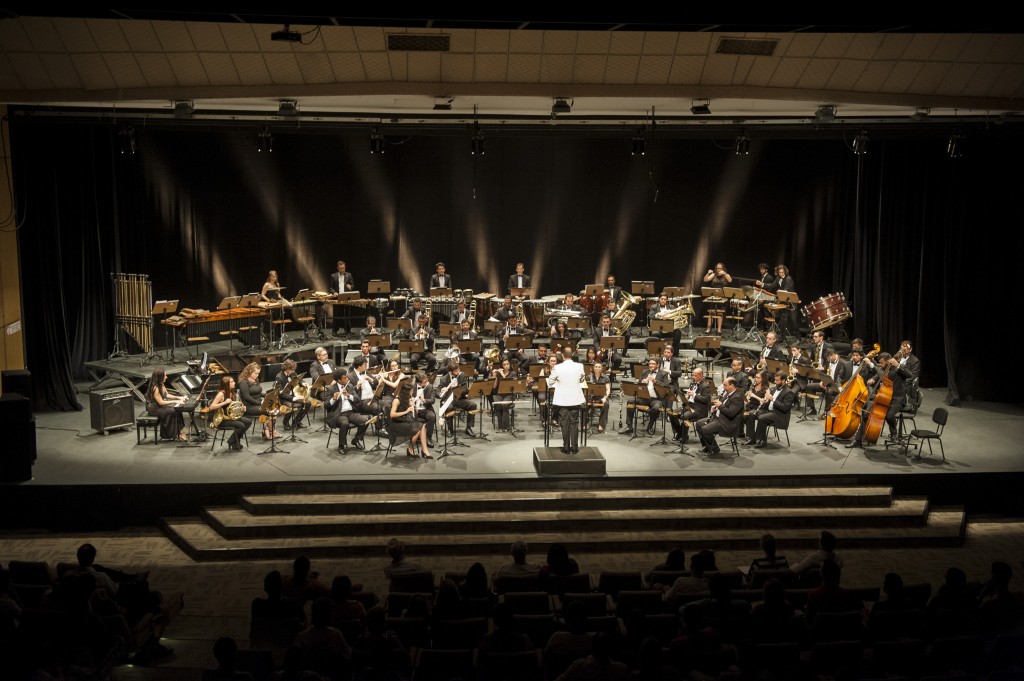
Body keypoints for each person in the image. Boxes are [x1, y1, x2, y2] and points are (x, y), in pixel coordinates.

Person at [844, 350, 916, 449]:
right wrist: (873, 379)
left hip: (897, 400)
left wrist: (898, 365)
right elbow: (879, 375)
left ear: (888, 361)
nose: (880, 364)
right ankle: (858, 440)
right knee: (865, 414)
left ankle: (894, 435)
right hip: (883, 397)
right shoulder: (884, 369)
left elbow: (910, 375)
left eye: (882, 363)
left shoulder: (898, 369)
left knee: (889, 415)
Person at [324, 369, 372, 453]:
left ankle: (356, 440)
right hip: (339, 414)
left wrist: (349, 395)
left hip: (351, 412)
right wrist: (333, 399)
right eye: (345, 378)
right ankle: (342, 445)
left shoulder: (349, 386)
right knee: (344, 423)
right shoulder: (331, 389)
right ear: (339, 380)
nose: (347, 379)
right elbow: (326, 405)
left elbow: (357, 399)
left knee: (365, 421)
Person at [696, 375, 743, 458]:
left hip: (727, 423)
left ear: (731, 386)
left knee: (705, 429)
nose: (723, 387)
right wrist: (715, 407)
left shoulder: (737, 397)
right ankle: (707, 446)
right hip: (718, 418)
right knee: (699, 423)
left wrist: (720, 406)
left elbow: (731, 413)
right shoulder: (727, 393)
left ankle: (714, 449)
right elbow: (722, 405)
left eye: (725, 385)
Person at [549, 347, 586, 453]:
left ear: (563, 356)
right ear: (572, 354)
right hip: (575, 399)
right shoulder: (580, 366)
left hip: (562, 400)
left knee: (564, 423)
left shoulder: (557, 367)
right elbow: (582, 380)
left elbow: (551, 382)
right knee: (574, 423)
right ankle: (574, 448)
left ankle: (566, 447)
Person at [751, 371, 796, 448]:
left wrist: (773, 399)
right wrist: (765, 401)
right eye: (775, 380)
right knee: (751, 414)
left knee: (762, 418)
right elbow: (769, 402)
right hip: (769, 411)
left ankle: (761, 441)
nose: (775, 382)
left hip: (780, 415)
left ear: (784, 381)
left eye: (777, 380)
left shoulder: (789, 392)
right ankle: (751, 438)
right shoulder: (775, 388)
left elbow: (784, 408)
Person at [670, 366, 712, 444]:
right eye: (693, 375)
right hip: (689, 406)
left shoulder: (705, 386)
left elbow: (706, 400)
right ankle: (680, 433)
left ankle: (683, 436)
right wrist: (687, 396)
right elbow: (690, 395)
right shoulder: (693, 383)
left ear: (701, 375)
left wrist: (694, 395)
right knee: (672, 413)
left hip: (699, 409)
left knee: (684, 416)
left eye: (695, 375)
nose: (693, 377)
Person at [390, 380, 431, 459]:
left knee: (421, 426)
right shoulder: (397, 400)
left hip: (404, 420)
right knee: (418, 427)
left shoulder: (407, 399)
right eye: (411, 391)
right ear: (405, 392)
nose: (412, 393)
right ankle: (411, 448)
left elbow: (415, 414)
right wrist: (407, 411)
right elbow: (392, 415)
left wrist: (414, 407)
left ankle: (424, 450)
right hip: (396, 423)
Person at [238, 361, 279, 440]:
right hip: (249, 407)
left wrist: (267, 396)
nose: (257, 375)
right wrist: (260, 403)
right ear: (250, 372)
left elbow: (259, 393)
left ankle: (267, 429)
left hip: (258, 404)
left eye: (258, 373)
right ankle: (271, 431)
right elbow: (247, 397)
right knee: (268, 410)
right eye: (256, 373)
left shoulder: (255, 380)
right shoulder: (244, 382)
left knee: (274, 408)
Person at [209, 375, 251, 451]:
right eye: (232, 382)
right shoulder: (221, 394)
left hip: (231, 417)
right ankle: (234, 442)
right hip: (222, 419)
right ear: (227, 384)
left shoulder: (232, 392)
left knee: (248, 422)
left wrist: (242, 408)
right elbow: (211, 407)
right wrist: (224, 402)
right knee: (241, 425)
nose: (234, 383)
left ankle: (233, 440)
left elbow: (237, 405)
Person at [146, 367, 187, 442]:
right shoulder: (156, 388)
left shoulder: (161, 384)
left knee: (178, 410)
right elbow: (161, 402)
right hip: (154, 409)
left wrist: (179, 397)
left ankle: (180, 432)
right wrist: (175, 401)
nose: (166, 377)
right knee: (173, 410)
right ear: (160, 377)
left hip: (159, 406)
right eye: (164, 375)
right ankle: (176, 433)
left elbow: (167, 395)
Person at [436, 360, 476, 437]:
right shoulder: (443, 379)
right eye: (456, 371)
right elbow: (437, 393)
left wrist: (458, 388)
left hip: (460, 399)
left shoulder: (462, 375)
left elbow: (466, 390)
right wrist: (442, 391)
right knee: (449, 407)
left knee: (472, 405)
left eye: (458, 370)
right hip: (449, 401)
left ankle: (469, 428)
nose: (458, 372)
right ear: (450, 372)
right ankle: (450, 429)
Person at [275, 359, 311, 431]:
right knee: (291, 406)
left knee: (308, 403)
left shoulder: (293, 373)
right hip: (284, 398)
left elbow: (299, 378)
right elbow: (280, 393)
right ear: (286, 368)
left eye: (294, 369)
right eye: (291, 369)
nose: (293, 371)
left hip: (293, 395)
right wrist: (294, 398)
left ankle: (296, 421)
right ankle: (285, 422)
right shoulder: (279, 377)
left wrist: (302, 382)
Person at [742, 370, 772, 444]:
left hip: (760, 408)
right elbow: (749, 396)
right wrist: (747, 399)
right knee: (742, 414)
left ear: (763, 378)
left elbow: (765, 402)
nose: (756, 379)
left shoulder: (766, 389)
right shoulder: (753, 385)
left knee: (749, 415)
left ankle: (751, 437)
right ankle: (751, 435)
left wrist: (754, 396)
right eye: (756, 377)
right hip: (750, 406)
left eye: (758, 378)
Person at [702, 262, 732, 334]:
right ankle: (708, 329)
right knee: (711, 312)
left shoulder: (725, 275)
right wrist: (707, 273)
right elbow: (705, 280)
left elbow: (730, 280)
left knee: (719, 313)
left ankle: (719, 329)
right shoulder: (714, 275)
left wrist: (724, 273)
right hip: (713, 296)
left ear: (723, 269)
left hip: (722, 297)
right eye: (717, 268)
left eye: (720, 268)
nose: (718, 270)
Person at [769, 264, 797, 340]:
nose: (781, 273)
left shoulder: (788, 279)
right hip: (784, 302)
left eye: (782, 272)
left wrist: (778, 296)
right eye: (780, 272)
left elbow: (786, 289)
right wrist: (762, 284)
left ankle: (798, 338)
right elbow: (771, 286)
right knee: (783, 320)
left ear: (785, 271)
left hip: (791, 301)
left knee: (793, 320)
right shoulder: (778, 278)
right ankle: (782, 338)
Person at [328, 260, 355, 336]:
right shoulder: (333, 276)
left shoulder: (349, 275)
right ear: (337, 268)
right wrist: (334, 292)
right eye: (340, 268)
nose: (342, 270)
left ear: (345, 267)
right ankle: (335, 330)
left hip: (346, 297)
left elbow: (353, 284)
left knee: (347, 315)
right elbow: (331, 288)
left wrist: (351, 287)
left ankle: (348, 330)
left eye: (343, 268)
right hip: (337, 298)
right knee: (336, 315)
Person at [490, 357, 516, 432]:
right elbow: (494, 387)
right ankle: (500, 426)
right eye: (504, 364)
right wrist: (494, 376)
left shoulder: (513, 373)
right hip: (500, 394)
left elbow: (508, 384)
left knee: (504, 404)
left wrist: (503, 375)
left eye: (507, 364)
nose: (506, 366)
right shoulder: (499, 374)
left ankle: (506, 426)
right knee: (497, 404)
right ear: (502, 365)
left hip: (509, 394)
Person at [586, 362, 611, 434]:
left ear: (602, 368)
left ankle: (601, 424)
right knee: (583, 404)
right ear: (593, 368)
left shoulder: (606, 378)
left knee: (606, 404)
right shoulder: (588, 377)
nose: (597, 368)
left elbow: (608, 389)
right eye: (596, 367)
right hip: (591, 397)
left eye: (599, 367)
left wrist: (605, 397)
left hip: (601, 398)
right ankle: (585, 423)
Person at [413, 371, 436, 448]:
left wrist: (424, 400)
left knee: (432, 416)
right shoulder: (412, 386)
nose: (427, 382)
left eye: (427, 380)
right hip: (414, 408)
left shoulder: (429, 386)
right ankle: (414, 436)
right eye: (424, 381)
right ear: (418, 382)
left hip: (425, 408)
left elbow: (432, 400)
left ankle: (428, 438)